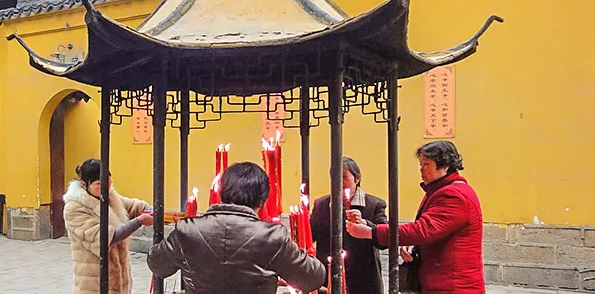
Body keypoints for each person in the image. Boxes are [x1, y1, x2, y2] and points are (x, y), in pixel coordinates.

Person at [148, 162, 325, 294]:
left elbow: (157, 265)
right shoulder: (272, 237)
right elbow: (313, 278)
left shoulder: (187, 230)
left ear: (221, 193)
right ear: (262, 200)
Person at [346, 141, 484, 293]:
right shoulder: (438, 191)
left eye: (426, 164)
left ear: (445, 166)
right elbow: (432, 232)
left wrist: (370, 232)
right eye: (421, 164)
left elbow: (423, 230)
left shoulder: (453, 195)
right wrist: (414, 248)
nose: (421, 170)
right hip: (439, 280)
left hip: (453, 285)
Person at [63, 158, 154, 294]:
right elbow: (106, 237)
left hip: (118, 278)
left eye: (108, 180)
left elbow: (132, 205)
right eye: (99, 183)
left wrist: (152, 209)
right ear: (84, 184)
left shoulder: (108, 195)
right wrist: (139, 221)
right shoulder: (74, 208)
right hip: (94, 281)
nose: (106, 186)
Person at [311, 157, 388, 294]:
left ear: (357, 179)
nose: (338, 182)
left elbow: (384, 240)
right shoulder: (321, 204)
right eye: (334, 177)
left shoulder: (374, 204)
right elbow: (310, 235)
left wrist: (364, 223)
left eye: (344, 177)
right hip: (328, 276)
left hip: (363, 278)